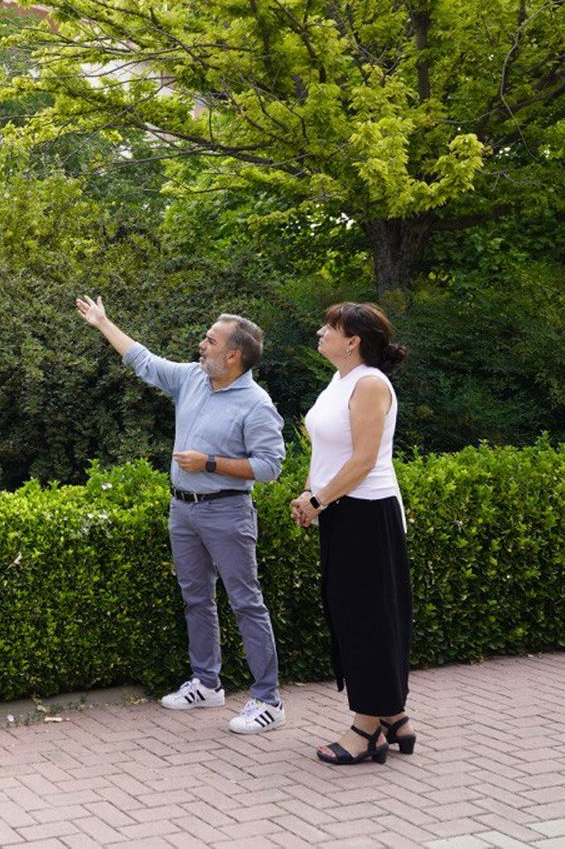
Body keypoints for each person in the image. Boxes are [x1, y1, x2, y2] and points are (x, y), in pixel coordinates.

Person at [76, 296, 288, 734]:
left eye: (210, 340)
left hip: (227, 512)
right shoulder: (192, 379)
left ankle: (268, 700)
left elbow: (269, 467)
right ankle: (207, 683)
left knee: (246, 603)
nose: (201, 344)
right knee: (196, 598)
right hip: (184, 510)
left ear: (233, 355)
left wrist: (209, 462)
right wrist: (103, 323)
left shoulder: (256, 404)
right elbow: (144, 361)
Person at [289, 302, 413, 766]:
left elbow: (363, 461)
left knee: (368, 619)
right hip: (340, 510)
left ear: (353, 341)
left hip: (367, 513)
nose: (321, 331)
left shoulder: (370, 384)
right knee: (352, 613)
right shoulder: (340, 382)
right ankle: (396, 717)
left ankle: (367, 727)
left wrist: (319, 501)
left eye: (330, 327)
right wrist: (309, 492)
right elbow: (326, 450)